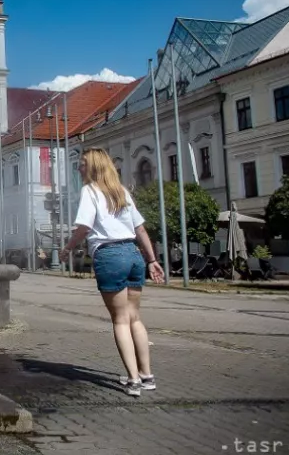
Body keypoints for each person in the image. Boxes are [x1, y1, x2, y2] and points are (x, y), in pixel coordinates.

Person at [59, 148, 164, 397]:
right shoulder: (122, 192)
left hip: (109, 255)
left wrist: (67, 248)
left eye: (82, 164)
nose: (79, 168)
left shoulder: (90, 191)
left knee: (120, 320)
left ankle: (133, 380)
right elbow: (140, 229)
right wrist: (152, 260)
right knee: (134, 318)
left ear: (93, 167)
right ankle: (147, 375)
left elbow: (84, 227)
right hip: (133, 253)